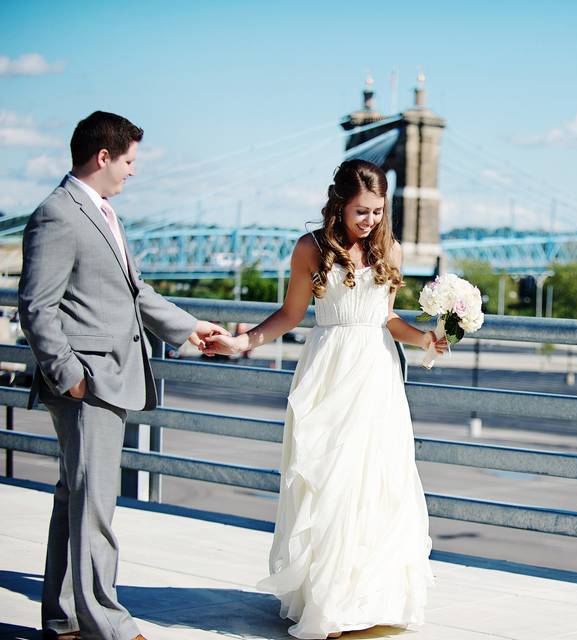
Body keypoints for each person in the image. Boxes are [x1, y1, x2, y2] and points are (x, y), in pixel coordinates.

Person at [202, 159, 446, 639]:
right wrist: (242, 342)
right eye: (361, 211)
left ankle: (371, 599)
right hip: (329, 371)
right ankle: (330, 601)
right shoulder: (310, 249)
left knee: (376, 483)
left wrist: (423, 340)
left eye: (377, 211)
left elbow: (386, 318)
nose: (370, 221)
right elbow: (291, 314)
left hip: (377, 374)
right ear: (340, 204)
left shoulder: (389, 249)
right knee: (328, 482)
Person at [17, 111, 228, 640]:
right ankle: (105, 624)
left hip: (106, 376)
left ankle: (63, 617)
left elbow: (134, 294)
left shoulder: (103, 212)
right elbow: (36, 307)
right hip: (89, 381)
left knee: (76, 497)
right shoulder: (58, 214)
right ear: (103, 156)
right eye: (129, 160)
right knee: (97, 506)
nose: (133, 172)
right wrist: (71, 376)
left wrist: (188, 328)